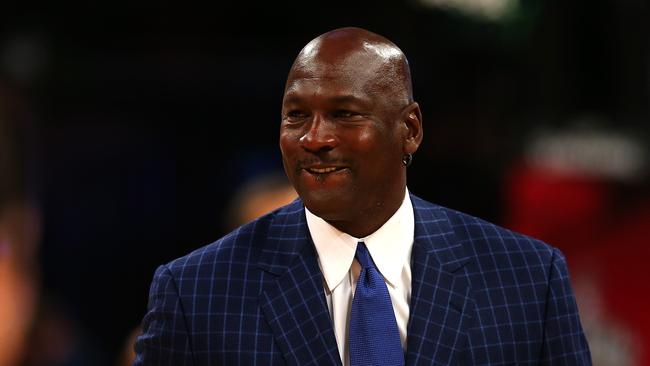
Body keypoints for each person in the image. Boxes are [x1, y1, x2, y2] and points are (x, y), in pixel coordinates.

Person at [134, 27, 591, 365]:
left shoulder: (527, 278)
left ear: (409, 130)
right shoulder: (196, 291)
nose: (314, 138)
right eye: (296, 115)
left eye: (344, 114)